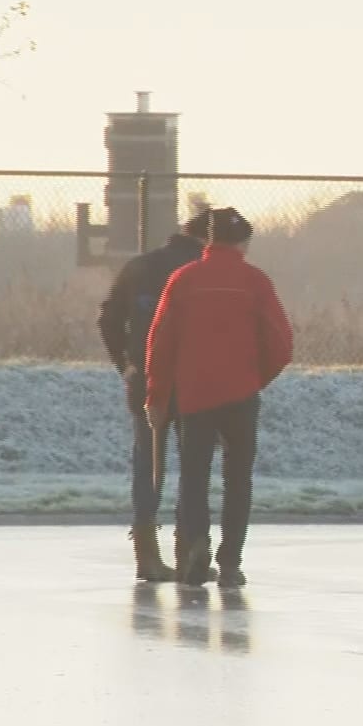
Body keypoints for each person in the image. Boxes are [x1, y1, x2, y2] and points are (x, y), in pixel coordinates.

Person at [143, 207, 293, 603]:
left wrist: (157, 395)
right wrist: (255, 377)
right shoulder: (255, 282)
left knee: (194, 475)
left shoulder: (183, 280)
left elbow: (160, 343)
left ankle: (196, 545)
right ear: (242, 242)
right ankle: (230, 564)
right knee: (237, 479)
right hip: (241, 395)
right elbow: (281, 342)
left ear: (208, 242)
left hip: (194, 396)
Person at [97, 219, 207, 582]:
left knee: (148, 461)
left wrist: (124, 363)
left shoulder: (139, 266)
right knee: (193, 464)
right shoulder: (203, 270)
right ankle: (188, 548)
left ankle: (147, 555)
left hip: (144, 378)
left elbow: (108, 318)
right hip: (194, 379)